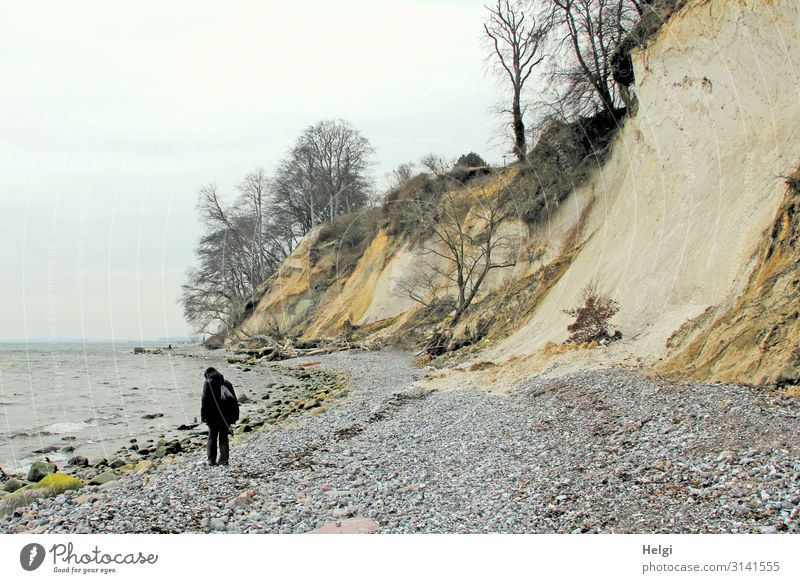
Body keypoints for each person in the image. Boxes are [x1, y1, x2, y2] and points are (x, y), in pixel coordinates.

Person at [200, 367, 239, 466]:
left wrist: (203, 415)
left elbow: (205, 400)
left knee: (212, 436)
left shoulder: (208, 383)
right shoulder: (227, 383)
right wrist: (235, 416)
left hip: (212, 416)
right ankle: (224, 460)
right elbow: (234, 401)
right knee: (223, 436)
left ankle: (211, 460)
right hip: (227, 416)